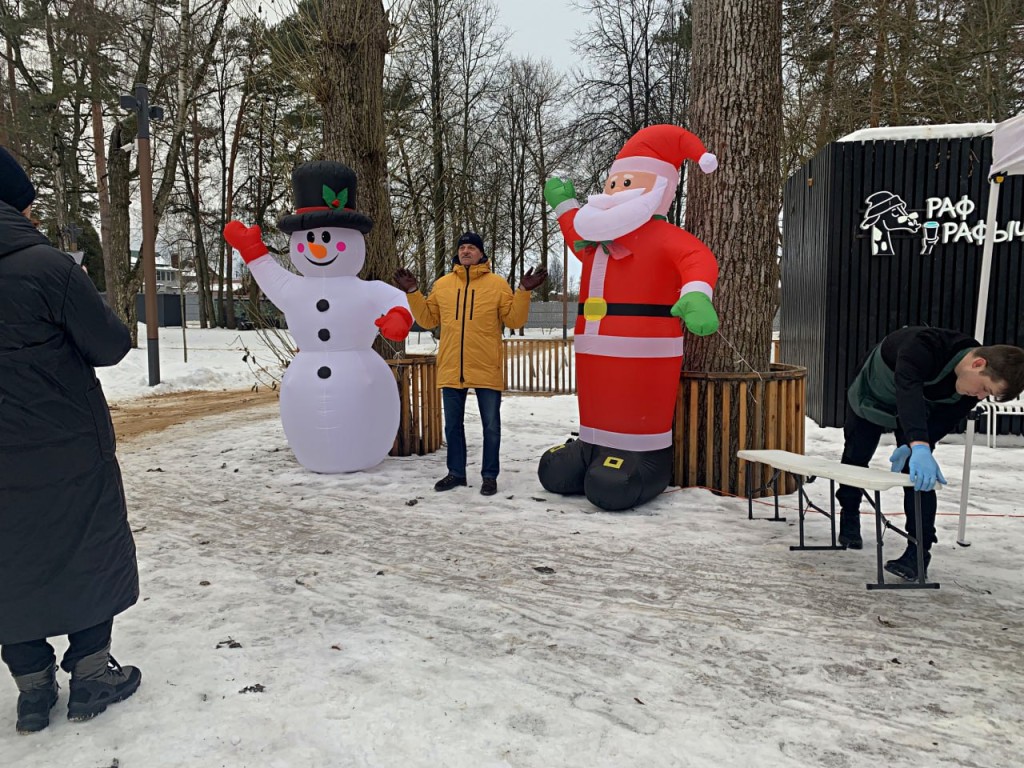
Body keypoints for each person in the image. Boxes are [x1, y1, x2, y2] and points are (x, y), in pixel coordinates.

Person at [0, 146, 142, 734]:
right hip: (67, 447)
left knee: (7, 558)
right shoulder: (48, 268)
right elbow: (109, 346)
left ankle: (32, 690)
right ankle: (90, 672)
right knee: (86, 543)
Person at [538, 124, 720, 511]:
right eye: (614, 183)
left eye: (627, 182)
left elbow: (697, 259)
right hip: (593, 343)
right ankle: (590, 445)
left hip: (645, 344)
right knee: (597, 398)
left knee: (632, 409)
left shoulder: (665, 237)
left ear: (660, 189)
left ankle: (640, 457)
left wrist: (696, 295)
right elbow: (576, 234)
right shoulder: (599, 238)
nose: (617, 190)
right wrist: (564, 207)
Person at [836, 325, 1024, 580]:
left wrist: (919, 446)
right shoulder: (922, 346)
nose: (979, 397)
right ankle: (849, 516)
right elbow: (908, 390)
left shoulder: (969, 391)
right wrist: (919, 444)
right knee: (856, 456)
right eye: (985, 389)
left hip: (917, 411)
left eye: (987, 396)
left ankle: (918, 552)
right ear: (978, 363)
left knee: (919, 478)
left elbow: (941, 421)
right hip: (874, 393)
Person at [394, 231, 547, 496]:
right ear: (458, 252)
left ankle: (489, 476)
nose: (466, 251)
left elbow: (514, 321)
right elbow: (429, 319)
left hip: (486, 365)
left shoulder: (497, 285)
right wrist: (413, 292)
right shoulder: (442, 285)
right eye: (462, 247)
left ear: (481, 253)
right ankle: (456, 473)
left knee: (491, 426)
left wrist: (522, 292)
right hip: (452, 366)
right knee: (453, 426)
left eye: (471, 248)